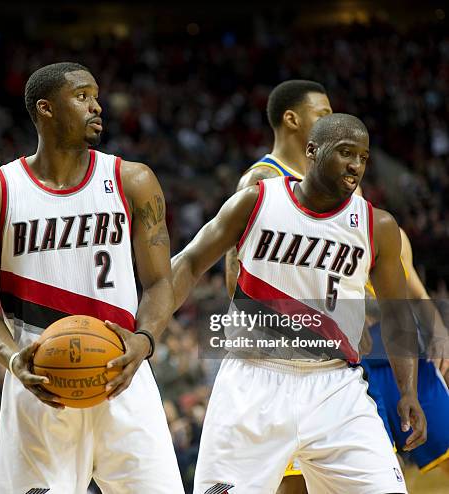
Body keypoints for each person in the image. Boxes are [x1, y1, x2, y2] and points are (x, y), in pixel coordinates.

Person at [172, 113, 427, 493]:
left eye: (363, 157)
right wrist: (143, 328)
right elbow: (189, 262)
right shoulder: (257, 200)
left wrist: (409, 391)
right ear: (312, 150)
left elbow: (397, 314)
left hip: (335, 386)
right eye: (345, 153)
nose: (356, 165)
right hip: (251, 380)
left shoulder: (378, 226)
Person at [0, 62, 183, 494]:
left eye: (96, 95)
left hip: (123, 374)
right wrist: (12, 359)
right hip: (41, 382)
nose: (96, 106)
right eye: (82, 96)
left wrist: (145, 340)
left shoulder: (132, 180)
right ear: (45, 109)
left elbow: (159, 284)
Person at [225, 80, 332, 299]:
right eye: (323, 116)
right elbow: (235, 271)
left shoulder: (326, 183)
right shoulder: (264, 179)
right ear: (292, 120)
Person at [361, 229, 449, 476]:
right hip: (357, 370)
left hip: (409, 360)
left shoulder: (388, 231)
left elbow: (418, 293)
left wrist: (439, 330)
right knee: (377, 475)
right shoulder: (315, 228)